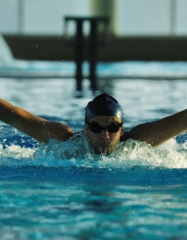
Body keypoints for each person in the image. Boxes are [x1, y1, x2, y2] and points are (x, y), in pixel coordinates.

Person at [0, 93, 187, 155]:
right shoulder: (64, 140)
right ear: (86, 128)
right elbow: (13, 115)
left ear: (122, 130)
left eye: (113, 128)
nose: (105, 136)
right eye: (96, 128)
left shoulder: (137, 143)